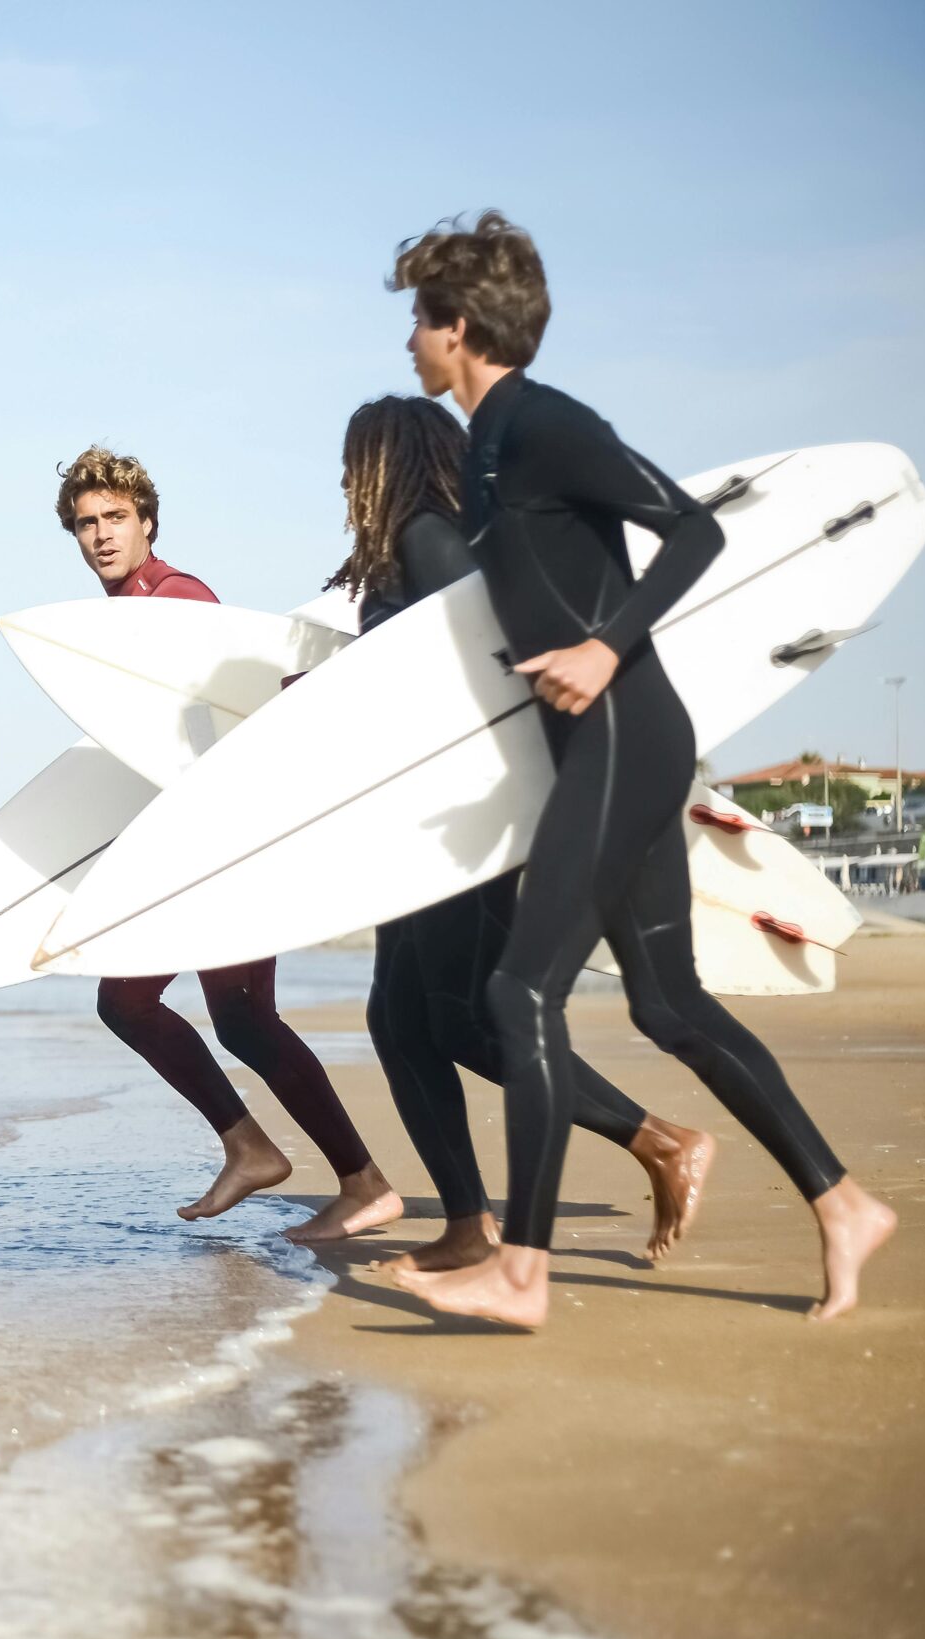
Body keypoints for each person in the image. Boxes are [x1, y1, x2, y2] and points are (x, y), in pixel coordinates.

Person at [374, 214, 894, 1326]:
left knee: (515, 995)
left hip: (622, 733)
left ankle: (521, 1269)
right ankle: (843, 1201)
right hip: (611, 743)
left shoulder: (546, 424)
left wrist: (609, 643)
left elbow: (692, 530)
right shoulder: (487, 444)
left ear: (457, 327)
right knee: (667, 1004)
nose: (409, 340)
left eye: (418, 319)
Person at [329, 396, 717, 1273]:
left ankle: (658, 1142)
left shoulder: (432, 538)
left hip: (463, 821)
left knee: (458, 1020)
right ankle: (470, 1219)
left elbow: (493, 673)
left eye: (354, 464)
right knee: (399, 1019)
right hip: (420, 823)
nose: (345, 484)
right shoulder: (409, 550)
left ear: (387, 461)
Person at [57, 447, 402, 1243]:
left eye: (115, 518)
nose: (102, 535)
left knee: (139, 1002)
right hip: (202, 843)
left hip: (229, 842)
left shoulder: (178, 599)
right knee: (232, 1017)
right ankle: (283, 1157)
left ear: (147, 521)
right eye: (86, 523)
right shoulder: (120, 619)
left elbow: (244, 712)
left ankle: (338, 1174)